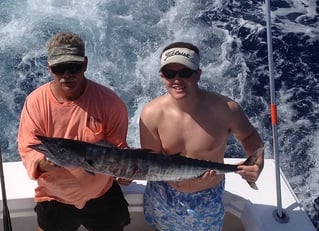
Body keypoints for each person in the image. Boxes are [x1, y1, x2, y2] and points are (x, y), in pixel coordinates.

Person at [139, 42, 264, 231]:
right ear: (162, 76)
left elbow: (249, 136)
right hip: (163, 195)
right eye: (170, 74)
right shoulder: (151, 114)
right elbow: (152, 166)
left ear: (198, 74)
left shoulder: (226, 109)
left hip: (207, 199)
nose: (177, 79)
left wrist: (257, 164)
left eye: (185, 72)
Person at [18, 32, 131, 231]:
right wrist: (43, 165)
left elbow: (119, 150)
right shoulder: (35, 102)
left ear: (85, 64)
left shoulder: (110, 102)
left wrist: (125, 174)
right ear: (49, 68)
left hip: (101, 195)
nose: (66, 74)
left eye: (74, 67)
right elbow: (29, 149)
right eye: (59, 68)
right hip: (54, 196)